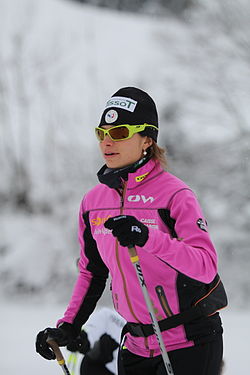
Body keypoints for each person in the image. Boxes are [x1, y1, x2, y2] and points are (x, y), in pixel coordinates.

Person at [36, 87, 228, 375]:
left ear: (147, 140)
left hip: (189, 342)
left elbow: (205, 266)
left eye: (120, 132)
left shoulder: (175, 195)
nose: (107, 142)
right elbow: (92, 272)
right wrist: (69, 325)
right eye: (102, 133)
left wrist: (148, 238)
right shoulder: (93, 203)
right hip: (136, 345)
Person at [66, 306, 125, 375]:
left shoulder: (139, 328)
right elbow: (100, 321)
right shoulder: (113, 317)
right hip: (98, 367)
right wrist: (83, 339)